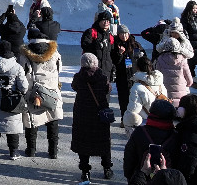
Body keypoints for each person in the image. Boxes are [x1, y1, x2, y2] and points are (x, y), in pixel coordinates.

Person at [18, 31, 62, 158]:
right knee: (52, 120)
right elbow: (60, 70)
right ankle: (53, 151)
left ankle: (31, 150)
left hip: (33, 93)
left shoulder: (25, 55)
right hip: (52, 92)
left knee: (32, 122)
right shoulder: (55, 53)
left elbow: (23, 73)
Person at [72, 52, 113, 182]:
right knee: (103, 141)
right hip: (99, 113)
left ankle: (85, 171)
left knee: (83, 142)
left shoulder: (79, 78)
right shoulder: (102, 77)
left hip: (82, 114)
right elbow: (108, 89)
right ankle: (107, 168)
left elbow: (74, 87)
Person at [122, 56, 167, 134]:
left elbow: (133, 110)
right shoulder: (160, 84)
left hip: (146, 122)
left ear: (138, 68)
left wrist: (126, 122)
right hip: (162, 121)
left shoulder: (137, 87)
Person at [154, 29, 194, 103]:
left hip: (165, 91)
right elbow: (189, 79)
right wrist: (188, 84)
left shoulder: (160, 58)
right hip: (181, 92)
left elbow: (157, 75)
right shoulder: (182, 59)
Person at [111, 24, 145, 112]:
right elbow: (114, 61)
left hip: (134, 75)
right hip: (122, 76)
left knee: (135, 98)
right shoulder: (115, 45)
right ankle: (124, 117)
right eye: (121, 34)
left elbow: (141, 59)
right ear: (118, 35)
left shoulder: (135, 44)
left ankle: (135, 117)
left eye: (125, 33)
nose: (124, 36)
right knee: (123, 99)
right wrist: (119, 53)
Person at [81, 11, 117, 86]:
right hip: (92, 70)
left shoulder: (110, 36)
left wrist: (113, 69)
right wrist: (96, 45)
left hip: (106, 70)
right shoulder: (91, 32)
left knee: (105, 95)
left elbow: (112, 53)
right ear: (99, 21)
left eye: (108, 21)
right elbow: (85, 45)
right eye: (104, 20)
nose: (106, 22)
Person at [179, 1, 197, 71]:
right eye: (193, 8)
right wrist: (188, 43)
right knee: (191, 63)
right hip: (192, 44)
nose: (195, 10)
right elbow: (184, 31)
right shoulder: (185, 19)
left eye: (196, 8)